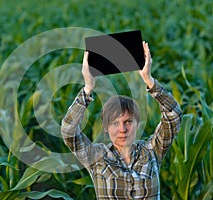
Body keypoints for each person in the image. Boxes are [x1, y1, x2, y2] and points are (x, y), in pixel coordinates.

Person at [61, 41, 182, 199]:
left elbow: (174, 115)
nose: (122, 129)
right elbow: (68, 131)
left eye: (128, 122)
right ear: (105, 127)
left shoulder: (152, 151)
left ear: (137, 124)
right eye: (115, 123)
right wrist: (88, 88)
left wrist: (149, 80)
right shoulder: (96, 157)